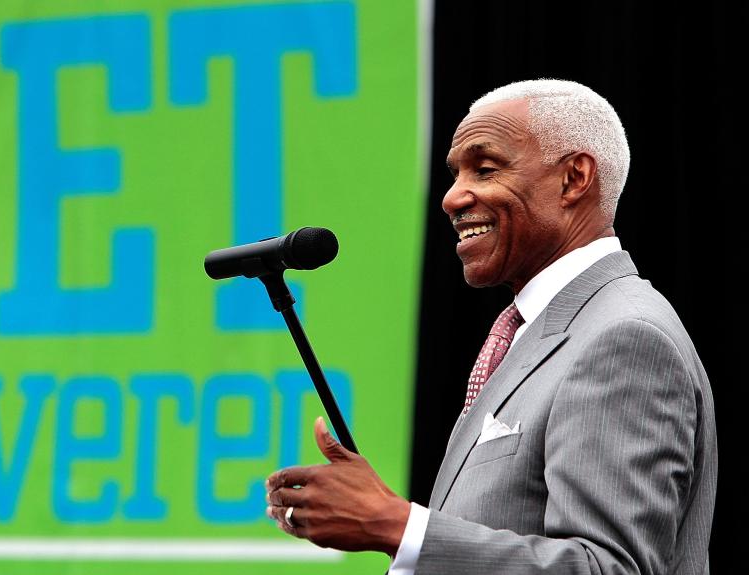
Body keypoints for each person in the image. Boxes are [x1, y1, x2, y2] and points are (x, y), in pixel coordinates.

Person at [264, 79, 717, 574]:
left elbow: (606, 568)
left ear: (574, 178)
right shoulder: (536, 329)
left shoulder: (623, 337)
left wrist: (394, 525)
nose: (452, 198)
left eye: (485, 168)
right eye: (455, 173)